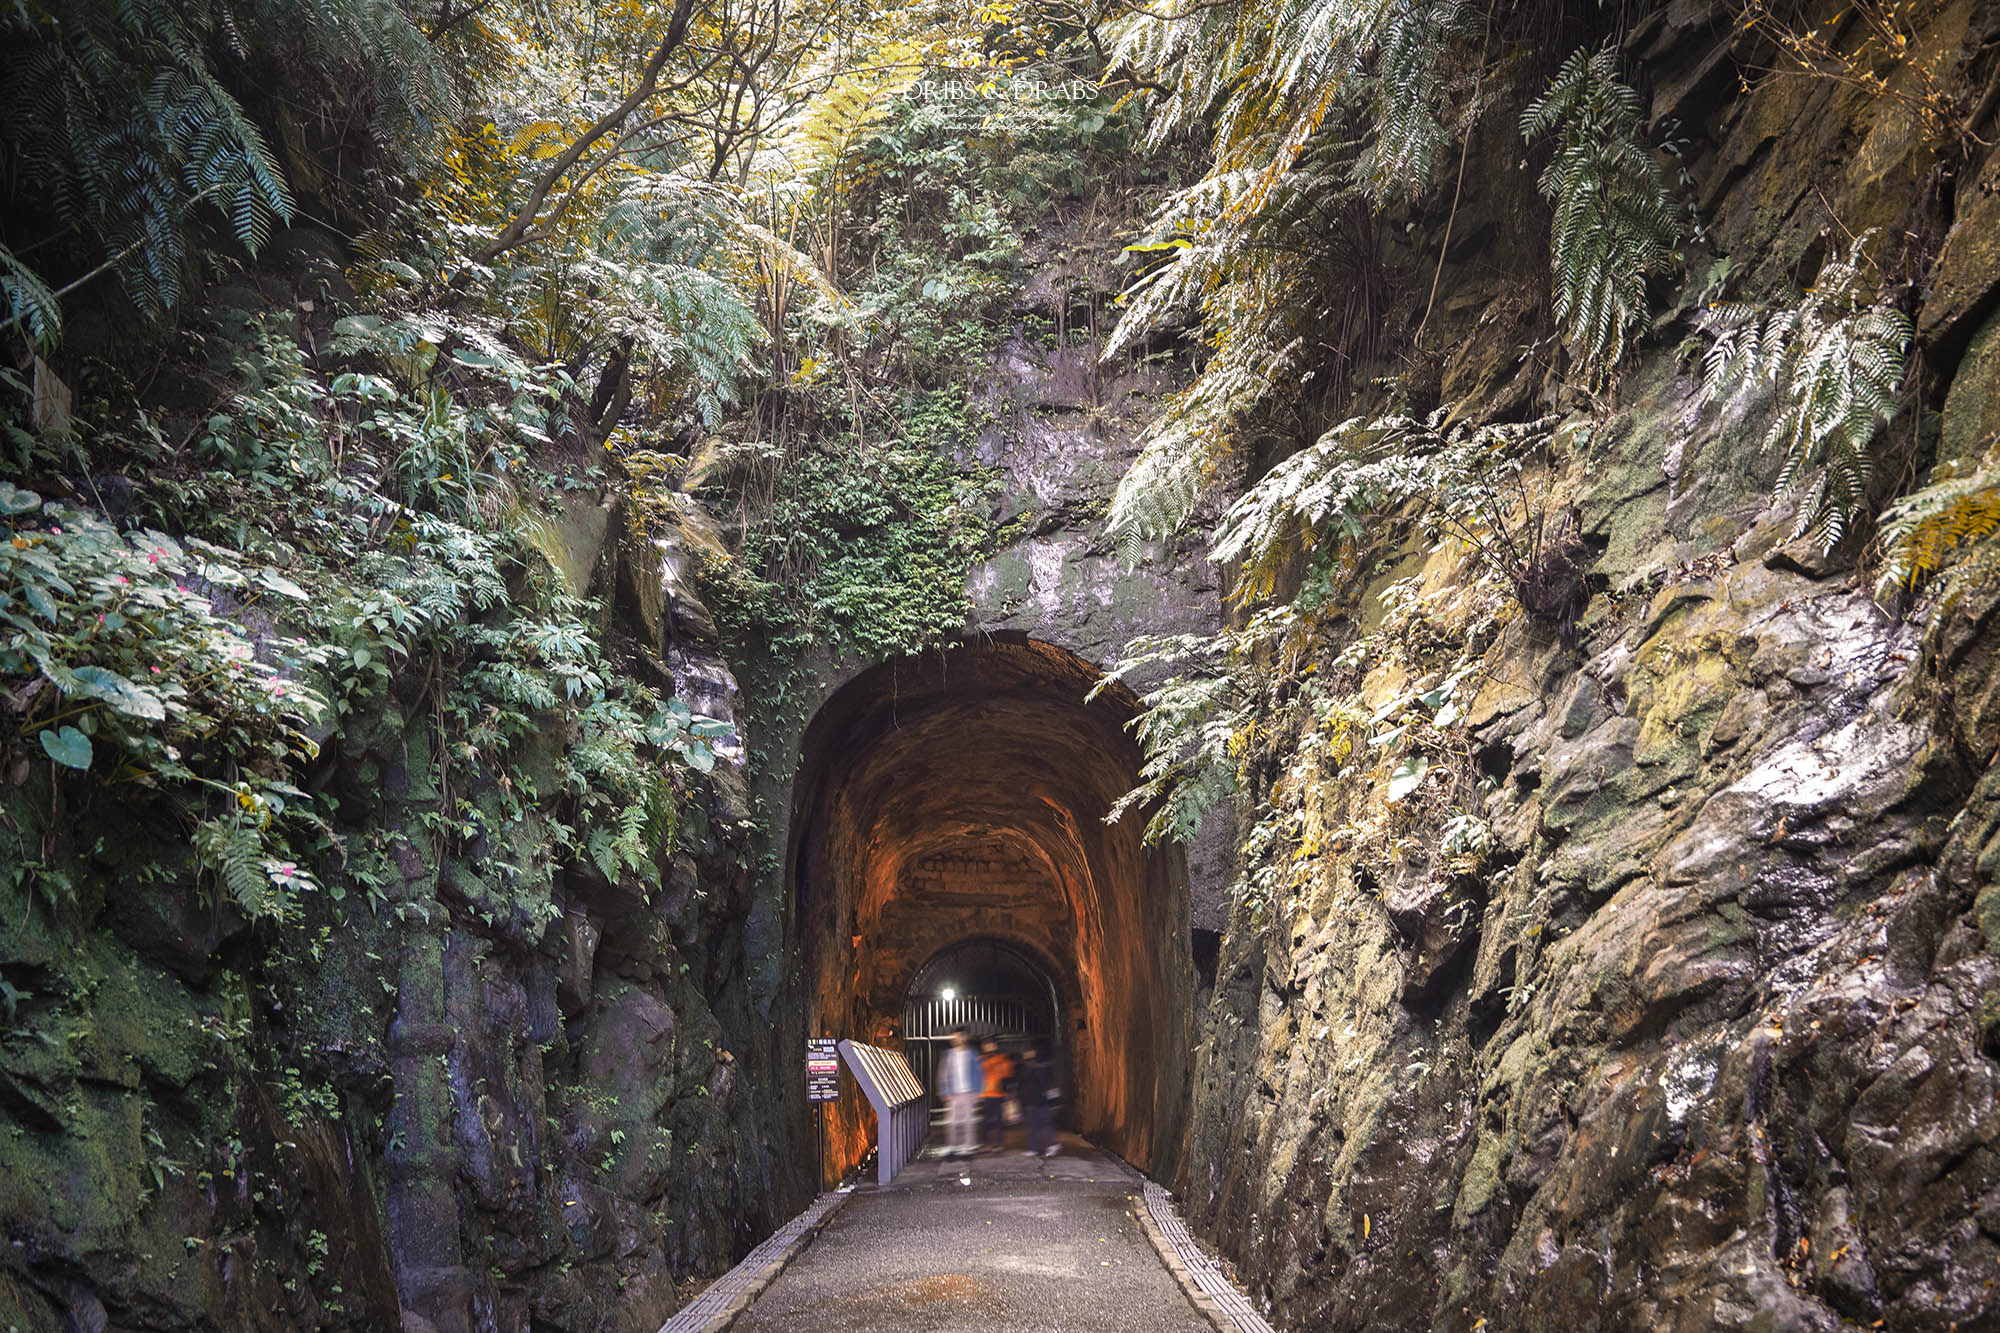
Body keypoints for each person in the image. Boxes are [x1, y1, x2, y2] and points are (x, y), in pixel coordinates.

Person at [938, 1030, 981, 1157]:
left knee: (968, 1121)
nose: (956, 1039)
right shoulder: (949, 1054)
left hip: (968, 1092)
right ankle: (953, 1146)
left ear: (964, 1037)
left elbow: (978, 1073)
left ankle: (967, 1147)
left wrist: (977, 1092)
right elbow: (943, 1073)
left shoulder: (972, 1054)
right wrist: (944, 1090)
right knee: (951, 1123)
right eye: (954, 1037)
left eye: (958, 1036)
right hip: (954, 1093)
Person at [1016, 1043, 1058, 1157]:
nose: (1026, 1054)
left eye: (1029, 1051)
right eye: (1025, 1052)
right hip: (1030, 1101)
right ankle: (1034, 1148)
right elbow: (1022, 1084)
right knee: (1032, 1126)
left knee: (1044, 1124)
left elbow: (1048, 1084)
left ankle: (1051, 1145)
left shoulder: (1040, 1066)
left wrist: (1052, 1100)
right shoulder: (1025, 1067)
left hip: (1041, 1100)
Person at [977, 1040, 1015, 1151]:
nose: (988, 1047)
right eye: (986, 1045)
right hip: (986, 1095)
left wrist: (1009, 1093)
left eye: (990, 1044)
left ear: (994, 1045)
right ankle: (985, 1144)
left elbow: (1008, 1075)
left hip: (998, 1094)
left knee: (998, 1121)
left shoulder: (1001, 1059)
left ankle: (998, 1144)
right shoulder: (981, 1060)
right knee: (985, 1121)